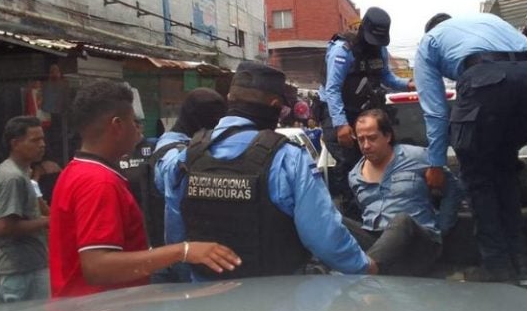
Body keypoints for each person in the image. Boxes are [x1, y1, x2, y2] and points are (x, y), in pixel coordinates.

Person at [164, 61, 378, 281]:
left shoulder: (186, 157)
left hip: (203, 305)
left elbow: (176, 240)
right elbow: (323, 236)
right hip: (277, 305)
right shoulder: (288, 158)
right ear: (275, 106)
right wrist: (363, 266)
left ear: (230, 100)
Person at [48, 80, 240, 297]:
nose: (138, 130)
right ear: (117, 126)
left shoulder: (76, 171)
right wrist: (184, 251)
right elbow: (97, 266)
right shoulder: (98, 182)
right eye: (134, 122)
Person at [415, 13, 527, 282]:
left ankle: (497, 268)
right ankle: (520, 262)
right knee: (505, 174)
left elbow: (436, 112)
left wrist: (437, 163)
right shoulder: (489, 21)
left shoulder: (428, 42)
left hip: (485, 82)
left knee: (479, 180)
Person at [344, 109, 464, 276]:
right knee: (333, 220)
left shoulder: (417, 157)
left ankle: (362, 272)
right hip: (378, 243)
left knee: (401, 220)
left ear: (387, 136)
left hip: (417, 245)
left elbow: (454, 188)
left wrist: (442, 227)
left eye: (372, 138)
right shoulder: (354, 176)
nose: (366, 145)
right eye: (361, 139)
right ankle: (364, 266)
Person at [317, 7, 414, 205]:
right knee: (349, 161)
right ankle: (351, 212)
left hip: (362, 109)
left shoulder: (380, 49)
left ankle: (378, 204)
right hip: (336, 110)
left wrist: (408, 84)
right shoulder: (342, 51)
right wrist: (341, 125)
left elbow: (386, 77)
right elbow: (332, 90)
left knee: (374, 157)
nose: (375, 44)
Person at [152, 88, 226, 282]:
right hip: (178, 269)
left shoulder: (189, 146)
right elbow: (175, 215)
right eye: (215, 119)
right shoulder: (173, 154)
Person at [0, 116, 49, 302]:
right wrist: (49, 221)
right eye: (35, 140)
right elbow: (5, 227)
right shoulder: (12, 177)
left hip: (28, 267)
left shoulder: (20, 173)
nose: (42, 145)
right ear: (15, 143)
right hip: (20, 272)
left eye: (42, 139)